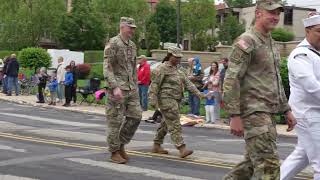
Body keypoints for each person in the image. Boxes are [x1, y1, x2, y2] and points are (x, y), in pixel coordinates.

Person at [222, 1, 296, 179]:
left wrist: (286, 109)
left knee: (248, 166)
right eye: (271, 12)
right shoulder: (247, 41)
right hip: (254, 112)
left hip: (267, 112)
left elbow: (275, 79)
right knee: (268, 166)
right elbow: (232, 79)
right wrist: (234, 115)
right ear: (258, 13)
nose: (275, 17)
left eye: (278, 13)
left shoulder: (270, 42)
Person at [280, 12, 320, 180]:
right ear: (307, 31)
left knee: (301, 156)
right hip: (307, 114)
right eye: (319, 31)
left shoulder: (315, 54)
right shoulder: (300, 55)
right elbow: (312, 87)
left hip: (314, 112)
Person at [149, 46, 206, 158]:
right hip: (166, 99)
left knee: (166, 123)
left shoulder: (178, 70)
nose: (179, 59)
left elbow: (188, 83)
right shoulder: (161, 68)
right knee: (175, 123)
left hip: (176, 100)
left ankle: (157, 144)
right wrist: (152, 99)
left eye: (180, 57)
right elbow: (154, 85)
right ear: (170, 56)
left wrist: (199, 94)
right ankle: (181, 148)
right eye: (176, 57)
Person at [103, 17, 142, 164]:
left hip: (131, 88)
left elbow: (132, 68)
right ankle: (114, 152)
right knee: (115, 121)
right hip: (117, 89)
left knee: (136, 116)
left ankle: (121, 144)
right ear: (122, 26)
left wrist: (135, 84)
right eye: (130, 27)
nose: (132, 30)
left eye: (133, 28)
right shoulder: (113, 43)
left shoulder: (132, 45)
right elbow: (107, 67)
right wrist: (114, 87)